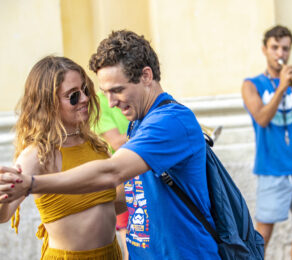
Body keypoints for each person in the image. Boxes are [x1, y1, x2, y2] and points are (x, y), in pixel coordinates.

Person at [0, 30, 221, 259]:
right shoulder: (137, 124)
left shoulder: (163, 124)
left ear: (146, 76)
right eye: (74, 96)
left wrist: (32, 184)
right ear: (47, 103)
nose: (109, 102)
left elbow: (111, 174)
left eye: (117, 90)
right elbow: (130, 194)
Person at [0, 56, 125, 259]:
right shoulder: (38, 154)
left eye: (85, 90)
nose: (84, 99)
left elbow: (115, 203)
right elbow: (3, 216)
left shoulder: (96, 144)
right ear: (49, 104)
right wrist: (4, 194)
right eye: (73, 96)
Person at [241, 25, 292, 259]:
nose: (280, 53)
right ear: (264, 50)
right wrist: (280, 89)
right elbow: (262, 118)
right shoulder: (251, 85)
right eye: (275, 47)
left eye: (285, 48)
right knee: (263, 235)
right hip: (272, 170)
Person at [92, 91, 130, 260]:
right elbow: (115, 142)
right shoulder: (98, 104)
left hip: (141, 176)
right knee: (131, 247)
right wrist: (153, 132)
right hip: (121, 177)